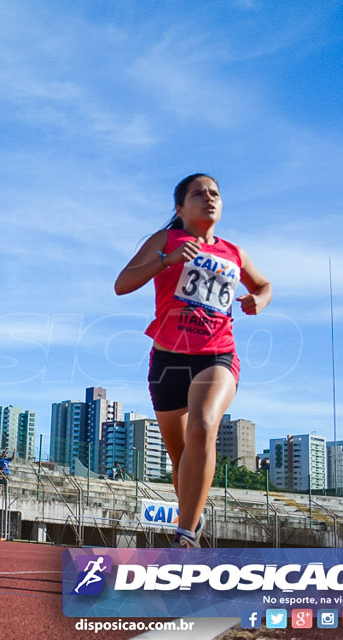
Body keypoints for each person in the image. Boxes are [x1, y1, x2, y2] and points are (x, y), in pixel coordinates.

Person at [114, 173, 272, 548]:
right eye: (198, 193)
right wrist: (165, 261)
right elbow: (121, 284)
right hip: (168, 359)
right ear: (180, 207)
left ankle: (184, 539)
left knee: (202, 425)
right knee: (181, 457)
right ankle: (194, 519)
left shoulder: (234, 252)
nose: (209, 198)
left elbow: (263, 285)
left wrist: (258, 301)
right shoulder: (166, 240)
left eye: (214, 193)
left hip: (216, 353)